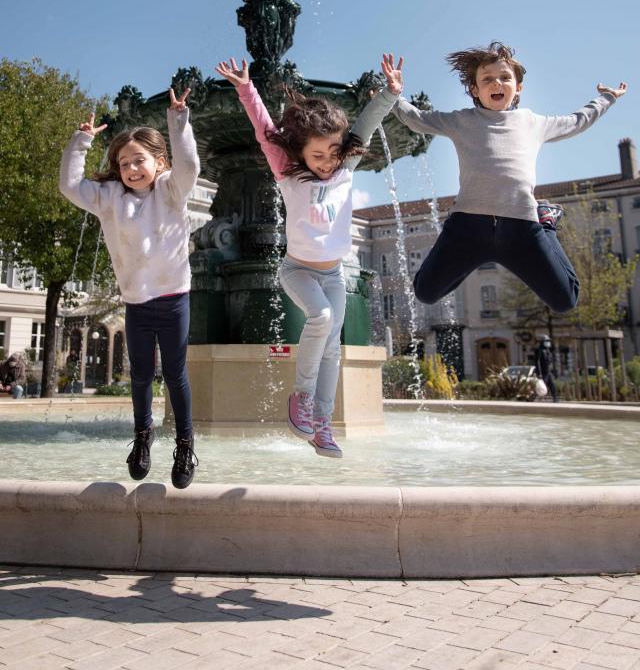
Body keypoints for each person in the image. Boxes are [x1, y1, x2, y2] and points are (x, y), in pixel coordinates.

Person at [215, 53, 404, 458]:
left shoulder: (346, 167)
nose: (326, 162)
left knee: (332, 345)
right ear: (300, 153)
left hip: (333, 274)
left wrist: (389, 92)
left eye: (333, 153)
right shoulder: (287, 172)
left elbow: (365, 126)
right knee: (320, 318)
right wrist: (246, 89)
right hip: (296, 270)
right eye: (317, 156)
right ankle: (299, 398)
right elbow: (266, 131)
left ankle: (322, 426)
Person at [392, 41, 627, 316]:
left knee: (566, 300)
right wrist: (394, 96)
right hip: (469, 226)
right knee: (425, 292)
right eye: (488, 79)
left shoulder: (533, 123)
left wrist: (606, 98)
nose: (497, 84)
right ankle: (469, 261)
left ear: (518, 88)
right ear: (475, 90)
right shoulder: (461, 120)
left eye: (505, 78)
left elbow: (577, 121)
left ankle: (547, 224)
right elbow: (417, 119)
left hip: (521, 226)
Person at [59, 90, 200, 488]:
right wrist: (80, 141)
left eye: (139, 160)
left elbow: (189, 163)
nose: (132, 168)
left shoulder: (173, 190)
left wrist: (178, 121)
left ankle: (186, 445)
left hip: (174, 298)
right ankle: (142, 438)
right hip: (136, 302)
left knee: (174, 374)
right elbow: (70, 186)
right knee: (140, 376)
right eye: (124, 163)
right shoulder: (108, 198)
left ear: (159, 162)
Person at [535, 335, 558, 402]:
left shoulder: (548, 350)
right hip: (543, 372)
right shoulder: (539, 350)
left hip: (549, 372)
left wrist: (554, 370)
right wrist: (539, 373)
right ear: (542, 342)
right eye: (546, 341)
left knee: (552, 385)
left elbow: (550, 362)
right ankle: (531, 398)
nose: (548, 343)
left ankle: (555, 399)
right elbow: (537, 362)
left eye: (548, 341)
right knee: (541, 387)